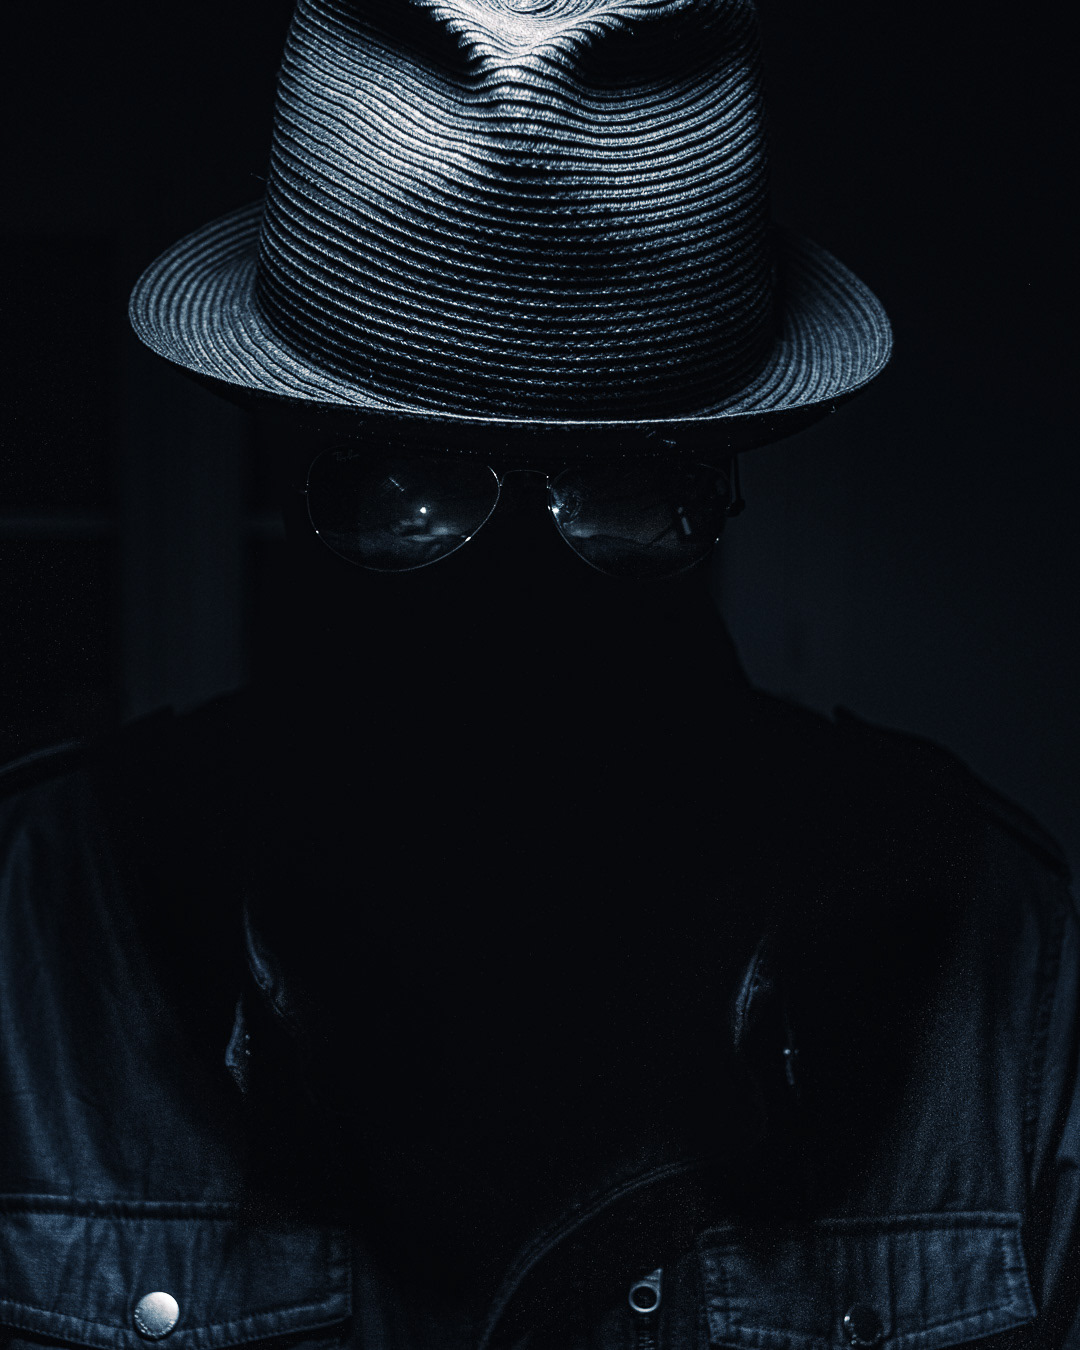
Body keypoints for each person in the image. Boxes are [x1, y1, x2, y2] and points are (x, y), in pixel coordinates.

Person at [1, 2, 1077, 1349]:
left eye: (615, 485)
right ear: (285, 463)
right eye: (406, 482)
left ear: (718, 486)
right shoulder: (28, 937)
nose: (508, 599)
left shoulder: (995, 961)